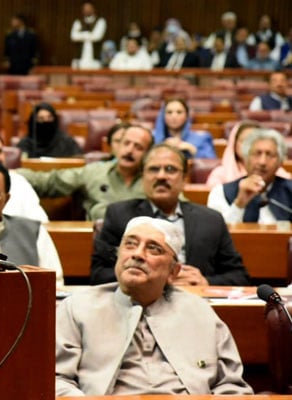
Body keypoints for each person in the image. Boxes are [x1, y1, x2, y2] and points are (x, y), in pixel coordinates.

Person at [56, 216, 253, 396]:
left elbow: (232, 386)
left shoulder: (200, 313)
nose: (138, 254)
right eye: (130, 244)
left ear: (173, 272)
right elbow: (56, 379)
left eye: (154, 249)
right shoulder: (78, 307)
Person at [91, 144, 250, 286]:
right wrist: (155, 278)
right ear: (143, 177)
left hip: (195, 303)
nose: (161, 176)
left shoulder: (210, 219)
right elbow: (98, 275)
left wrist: (205, 281)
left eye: (170, 169)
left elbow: (238, 276)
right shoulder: (120, 215)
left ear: (184, 179)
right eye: (153, 169)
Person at [17, 125, 153, 220]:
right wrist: (8, 175)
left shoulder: (155, 180)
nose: (129, 150)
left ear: (148, 154)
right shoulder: (94, 171)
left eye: (138, 147)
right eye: (126, 143)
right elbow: (50, 182)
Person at [208, 128, 292, 223]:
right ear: (245, 158)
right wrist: (239, 204)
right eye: (257, 154)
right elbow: (218, 233)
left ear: (280, 162)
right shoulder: (220, 192)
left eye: (270, 155)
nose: (262, 162)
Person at [206, 121, 290, 188]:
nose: (248, 146)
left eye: (254, 141)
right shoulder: (219, 175)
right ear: (234, 144)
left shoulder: (281, 174)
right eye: (245, 141)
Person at [18, 102, 82, 158]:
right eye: (41, 119)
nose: (46, 121)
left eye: (49, 118)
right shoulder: (25, 144)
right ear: (33, 122)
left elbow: (78, 161)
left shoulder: (67, 142)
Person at [70, 1, 106, 70]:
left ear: (93, 9)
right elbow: (73, 36)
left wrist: (81, 34)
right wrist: (89, 34)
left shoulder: (100, 21)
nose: (87, 10)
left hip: (95, 60)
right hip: (79, 60)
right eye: (85, 9)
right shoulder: (78, 22)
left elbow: (97, 37)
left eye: (89, 8)